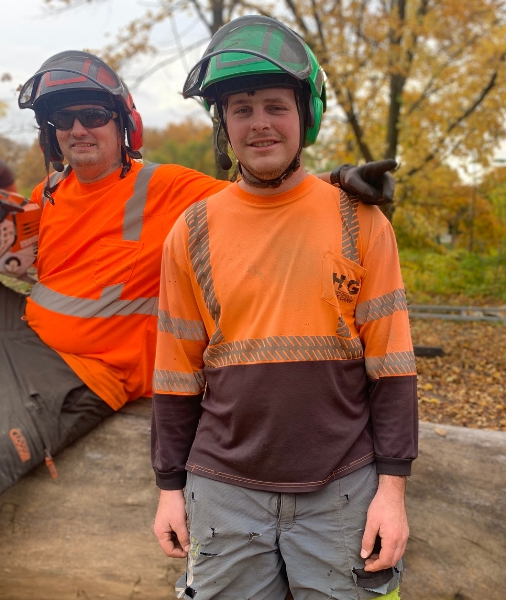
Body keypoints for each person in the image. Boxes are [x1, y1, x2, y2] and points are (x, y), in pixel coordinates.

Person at [0, 49, 398, 598]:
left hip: (76, 373)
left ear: (124, 124)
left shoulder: (165, 189)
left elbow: (265, 192)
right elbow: (16, 244)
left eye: (92, 114)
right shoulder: (53, 190)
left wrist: (342, 181)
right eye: (61, 120)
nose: (77, 129)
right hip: (23, 329)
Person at [151, 16, 417, 600]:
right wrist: (170, 486)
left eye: (276, 105)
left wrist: (392, 493)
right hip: (221, 489)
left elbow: (393, 363)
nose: (260, 123)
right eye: (241, 109)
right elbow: (175, 369)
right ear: (223, 126)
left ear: (306, 117)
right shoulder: (191, 231)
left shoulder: (360, 219)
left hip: (343, 489)